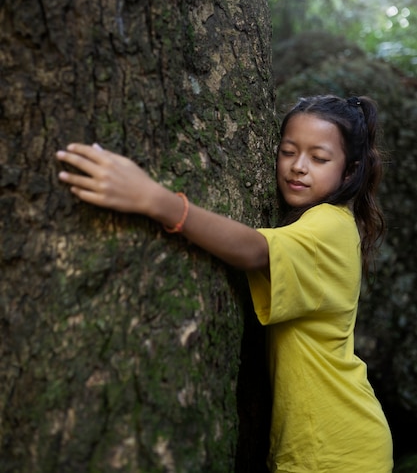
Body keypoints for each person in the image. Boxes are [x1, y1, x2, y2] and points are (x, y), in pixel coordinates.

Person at [56, 94, 393, 473]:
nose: (298, 167)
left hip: (337, 451)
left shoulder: (329, 224)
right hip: (327, 443)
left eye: (319, 158)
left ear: (351, 171)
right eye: (287, 152)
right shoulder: (329, 223)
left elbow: (252, 250)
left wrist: (153, 199)